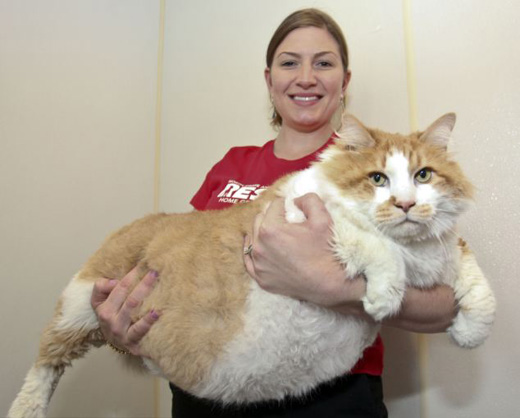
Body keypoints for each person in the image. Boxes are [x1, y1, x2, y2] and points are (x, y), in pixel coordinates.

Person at [91, 8, 458, 418]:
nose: (305, 77)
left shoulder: (385, 171)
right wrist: (119, 331)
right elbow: (176, 273)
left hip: (328, 397)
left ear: (344, 82)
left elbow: (448, 304)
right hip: (204, 389)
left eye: (323, 62)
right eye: (289, 63)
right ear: (270, 80)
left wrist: (335, 289)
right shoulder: (231, 165)